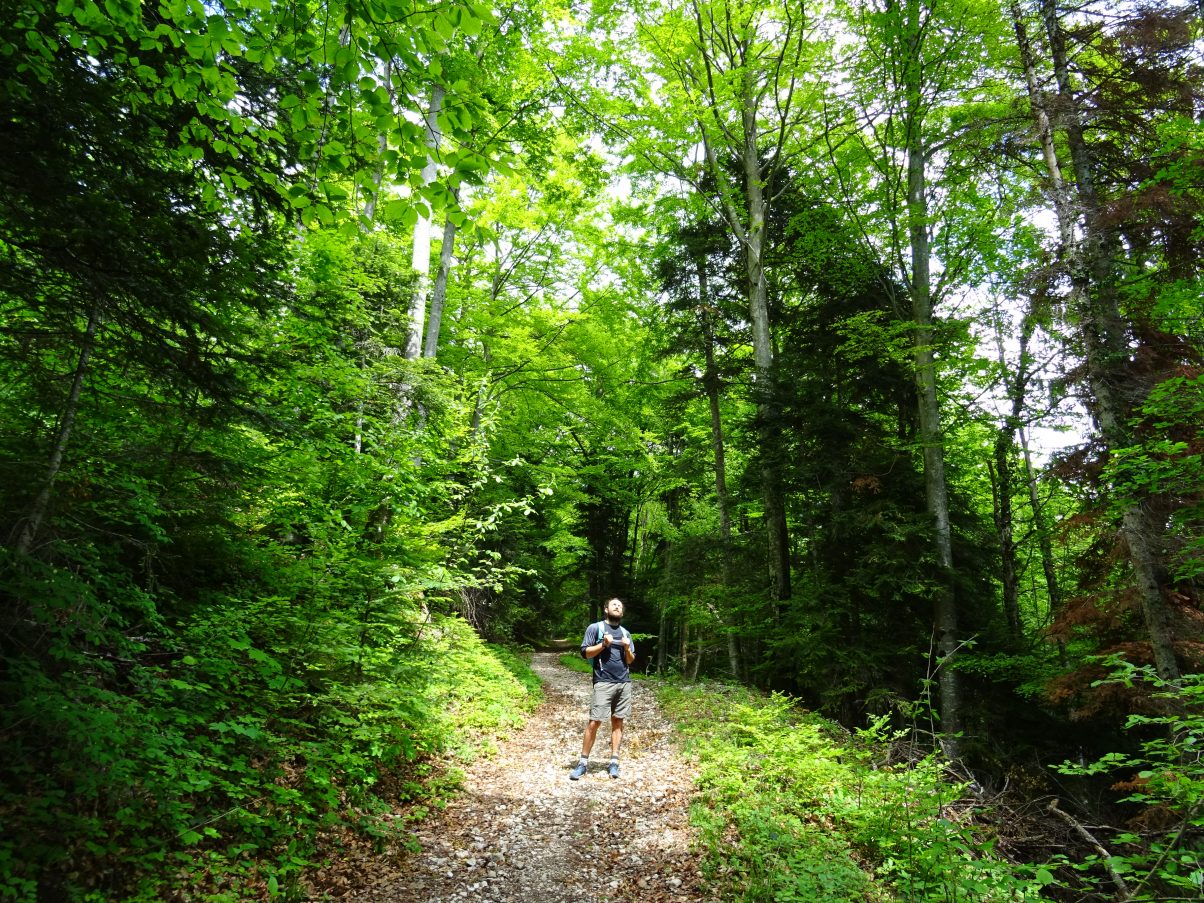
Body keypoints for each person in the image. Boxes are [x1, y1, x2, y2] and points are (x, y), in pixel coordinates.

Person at [569, 597, 635, 780]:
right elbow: (585, 653)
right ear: (606, 609)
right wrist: (603, 644)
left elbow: (630, 660)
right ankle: (582, 763)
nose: (617, 607)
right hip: (603, 682)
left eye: (620, 606)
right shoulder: (595, 628)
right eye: (614, 604)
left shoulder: (625, 633)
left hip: (624, 683)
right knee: (594, 721)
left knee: (618, 721)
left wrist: (628, 648)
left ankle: (614, 762)